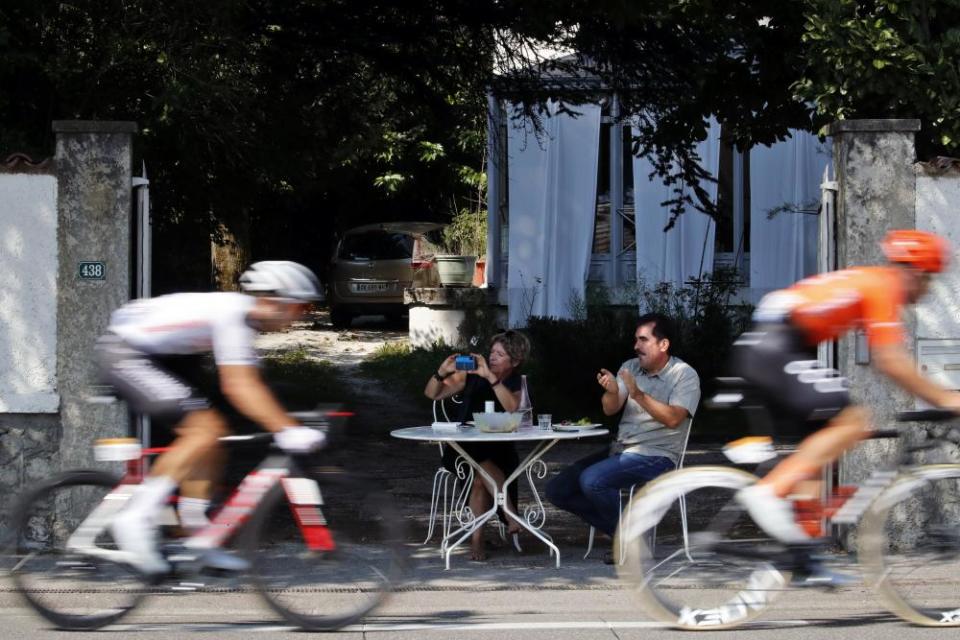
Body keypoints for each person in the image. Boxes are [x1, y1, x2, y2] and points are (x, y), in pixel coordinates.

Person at [730, 229, 960, 555]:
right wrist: (946, 398)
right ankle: (768, 492)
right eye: (929, 280)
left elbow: (887, 360)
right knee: (853, 421)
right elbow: (890, 360)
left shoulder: (872, 283)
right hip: (777, 345)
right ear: (915, 273)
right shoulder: (884, 286)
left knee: (822, 440)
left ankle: (805, 550)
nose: (928, 289)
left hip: (778, 345)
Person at [96, 261, 326, 576]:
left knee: (213, 437)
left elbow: (248, 382)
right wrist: (287, 428)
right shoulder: (233, 316)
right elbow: (240, 386)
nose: (302, 315)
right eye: (300, 307)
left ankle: (197, 538)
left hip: (158, 357)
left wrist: (281, 421)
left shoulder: (244, 319)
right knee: (204, 431)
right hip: (126, 354)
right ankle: (134, 517)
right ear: (274, 301)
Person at [546, 313, 700, 562]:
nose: (636, 346)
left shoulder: (684, 375)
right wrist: (611, 390)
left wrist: (638, 394)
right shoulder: (630, 367)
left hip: (658, 454)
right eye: (635, 340)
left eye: (643, 340)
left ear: (664, 344)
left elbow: (673, 418)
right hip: (621, 449)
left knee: (592, 481)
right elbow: (610, 408)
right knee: (557, 489)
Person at [424, 330, 531, 560]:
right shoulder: (470, 376)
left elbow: (512, 407)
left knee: (481, 478)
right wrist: (441, 372)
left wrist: (491, 378)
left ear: (515, 360)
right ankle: (511, 516)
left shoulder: (513, 381)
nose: (492, 357)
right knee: (480, 464)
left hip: (499, 449)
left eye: (500, 354)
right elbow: (432, 393)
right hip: (463, 448)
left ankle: (477, 542)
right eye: (492, 351)